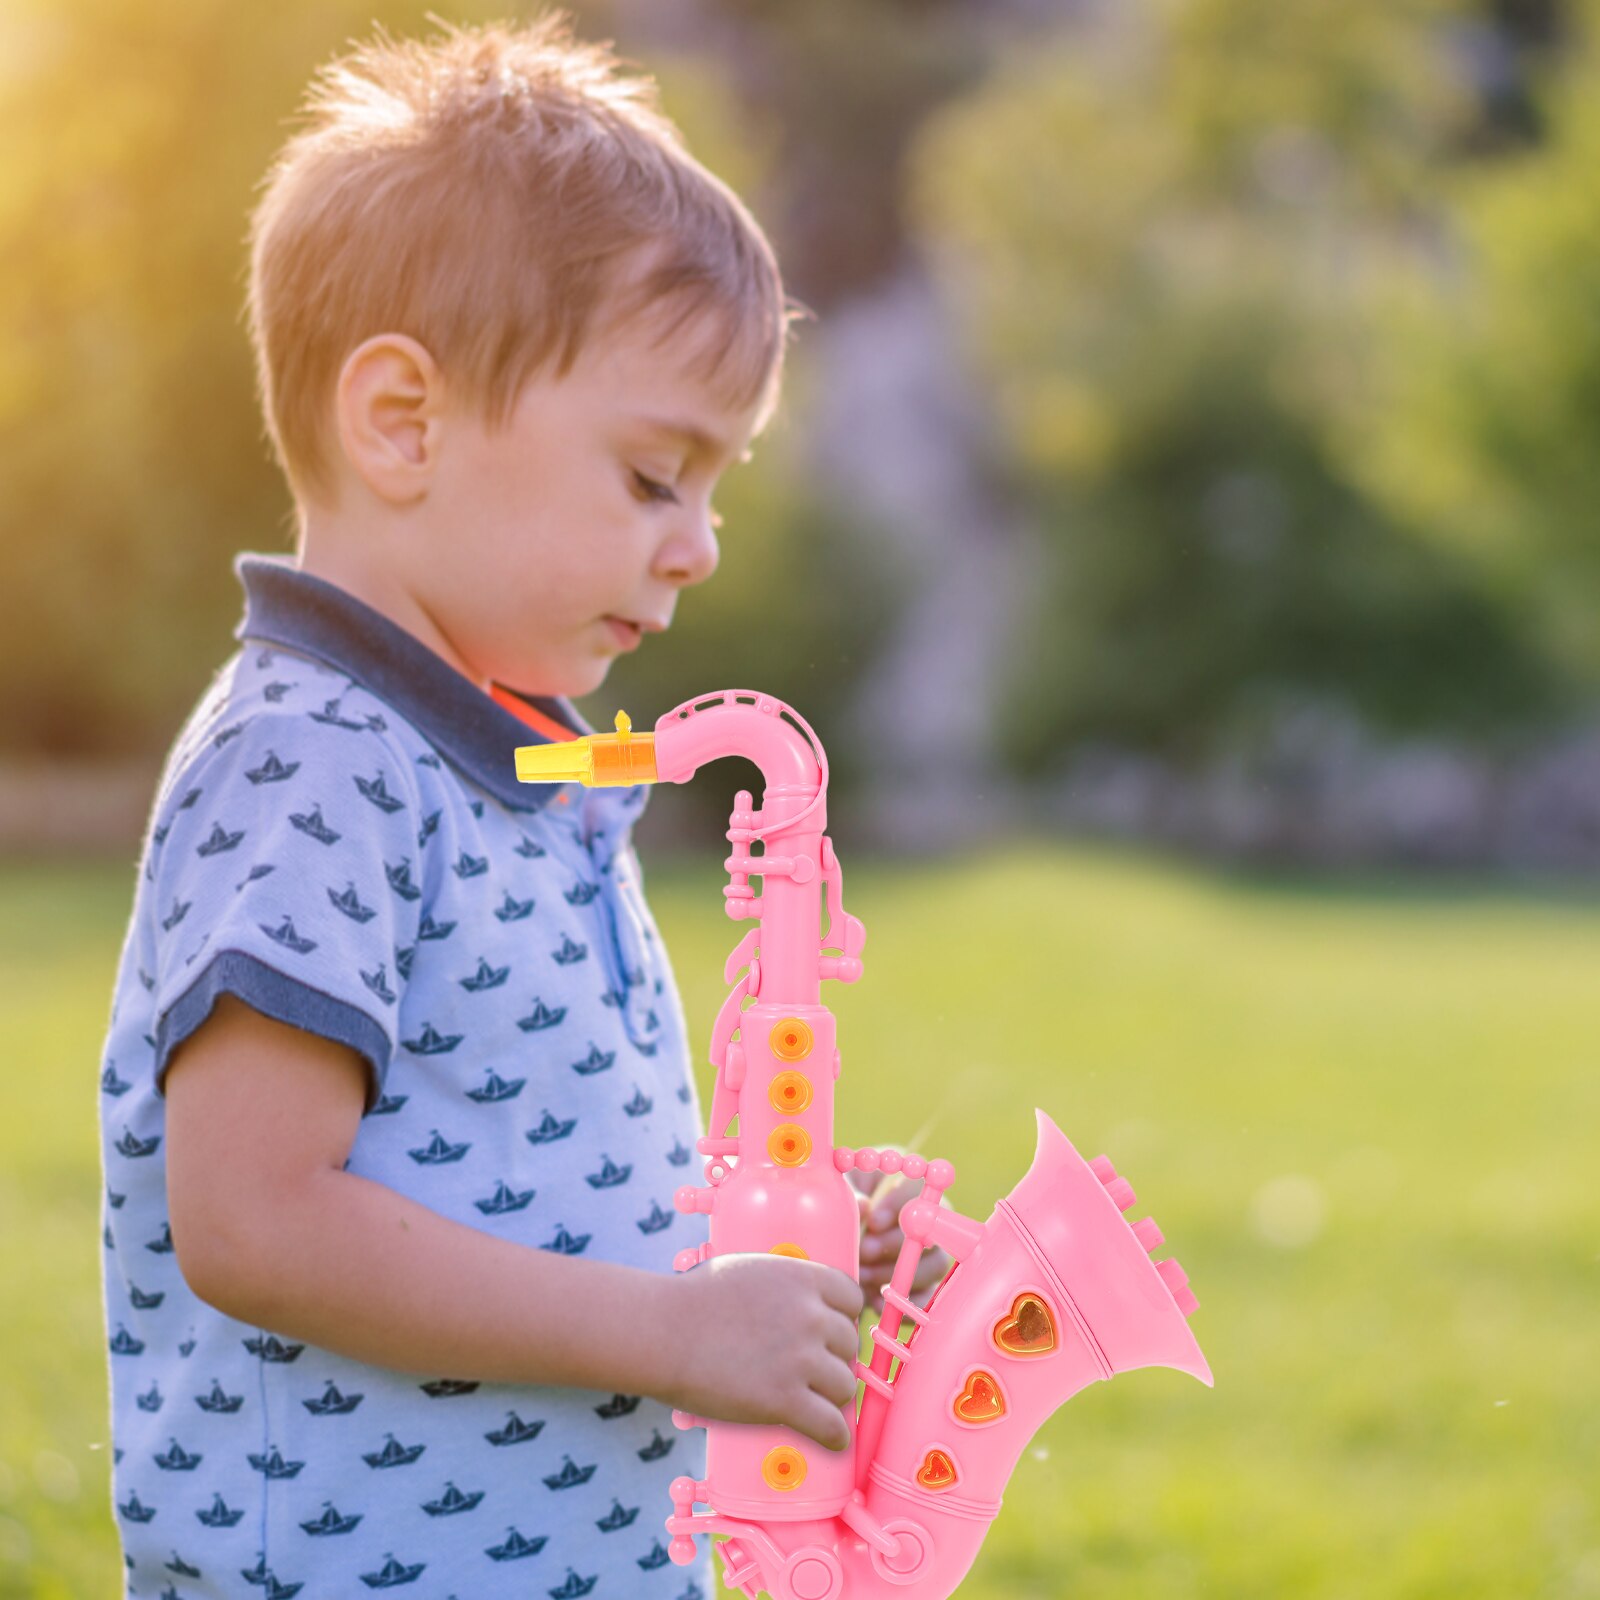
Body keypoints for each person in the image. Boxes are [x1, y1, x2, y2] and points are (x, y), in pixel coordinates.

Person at [95, 14, 949, 1599]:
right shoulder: (314, 763)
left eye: (717, 487)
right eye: (652, 476)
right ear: (403, 423)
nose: (696, 544)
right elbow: (255, 1221)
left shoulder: (514, 767)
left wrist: (778, 1263)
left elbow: (521, 1179)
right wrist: (675, 1333)